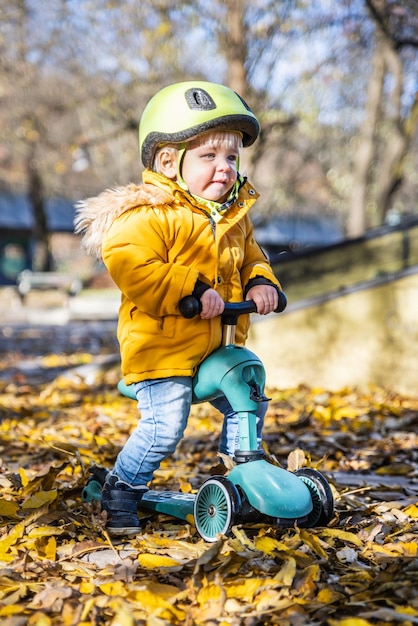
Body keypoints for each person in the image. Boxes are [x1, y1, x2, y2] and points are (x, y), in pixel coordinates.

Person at [75, 80, 283, 536]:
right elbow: (133, 267)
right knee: (165, 425)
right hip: (161, 350)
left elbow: (252, 257)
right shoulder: (148, 216)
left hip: (215, 347)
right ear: (169, 162)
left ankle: (240, 473)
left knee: (247, 391)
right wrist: (191, 287)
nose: (225, 168)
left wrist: (262, 282)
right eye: (209, 157)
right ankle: (121, 494)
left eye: (231, 157)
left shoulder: (232, 217)